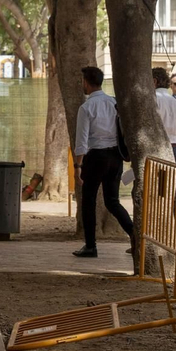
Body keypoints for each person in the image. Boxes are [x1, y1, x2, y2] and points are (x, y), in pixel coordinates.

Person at [72, 65, 133, 259]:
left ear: (86, 83)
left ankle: (91, 246)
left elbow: (81, 141)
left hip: (95, 157)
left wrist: (77, 166)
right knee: (112, 201)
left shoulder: (87, 107)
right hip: (115, 156)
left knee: (89, 201)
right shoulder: (114, 103)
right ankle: (135, 234)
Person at [152, 67, 176, 165]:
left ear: (154, 81)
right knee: (169, 180)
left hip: (157, 148)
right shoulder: (175, 102)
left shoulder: (153, 100)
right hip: (173, 147)